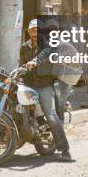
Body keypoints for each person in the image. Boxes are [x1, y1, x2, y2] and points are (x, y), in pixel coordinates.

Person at [20, 18, 74, 162]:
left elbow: (45, 55)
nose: (35, 33)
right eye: (32, 30)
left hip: (44, 84)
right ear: (28, 31)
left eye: (38, 30)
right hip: (29, 83)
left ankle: (65, 150)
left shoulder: (49, 44)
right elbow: (21, 65)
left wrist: (34, 62)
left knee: (51, 115)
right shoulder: (24, 47)